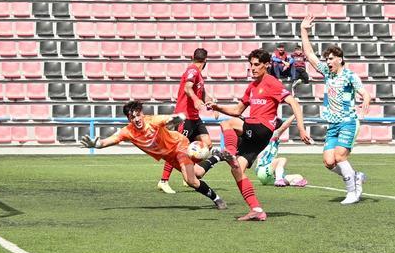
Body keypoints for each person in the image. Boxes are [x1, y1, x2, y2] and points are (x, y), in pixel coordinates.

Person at [196, 48, 313, 221]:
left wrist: (302, 129)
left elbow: (294, 104)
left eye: (257, 64)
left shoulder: (271, 82)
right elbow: (237, 110)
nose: (253, 68)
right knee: (237, 170)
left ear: (267, 65)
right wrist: (217, 107)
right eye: (251, 64)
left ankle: (228, 151)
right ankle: (256, 209)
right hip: (257, 136)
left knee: (226, 123)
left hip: (262, 127)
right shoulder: (251, 87)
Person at [80, 101, 228, 210]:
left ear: (142, 114)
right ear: (128, 119)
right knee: (198, 174)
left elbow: (168, 119)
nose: (137, 119)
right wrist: (97, 144)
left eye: (138, 115)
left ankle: (217, 199)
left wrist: (175, 119)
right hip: (168, 156)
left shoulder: (152, 121)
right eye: (132, 117)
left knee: (190, 180)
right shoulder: (128, 131)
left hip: (179, 146)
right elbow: (109, 141)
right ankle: (218, 156)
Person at [300, 16, 370, 204]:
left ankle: (352, 192)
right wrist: (304, 30)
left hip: (348, 122)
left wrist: (366, 100)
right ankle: (355, 176)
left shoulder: (350, 76)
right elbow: (310, 55)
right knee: (328, 162)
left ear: (340, 59)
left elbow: (364, 92)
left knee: (339, 156)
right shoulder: (327, 73)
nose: (328, 62)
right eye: (327, 59)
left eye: (331, 59)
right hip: (333, 124)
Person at [157, 48, 211, 194]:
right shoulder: (192, 71)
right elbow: (188, 88)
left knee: (207, 144)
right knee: (176, 149)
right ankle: (163, 181)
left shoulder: (198, 74)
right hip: (184, 117)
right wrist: (196, 100)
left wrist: (210, 102)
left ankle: (188, 173)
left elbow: (201, 91)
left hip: (195, 118)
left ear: (191, 57)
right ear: (206, 60)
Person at [254, 114, 309, 188]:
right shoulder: (271, 135)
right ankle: (279, 180)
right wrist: (295, 114)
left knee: (299, 177)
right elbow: (284, 127)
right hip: (263, 169)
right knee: (282, 160)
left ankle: (291, 181)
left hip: (268, 175)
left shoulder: (270, 138)